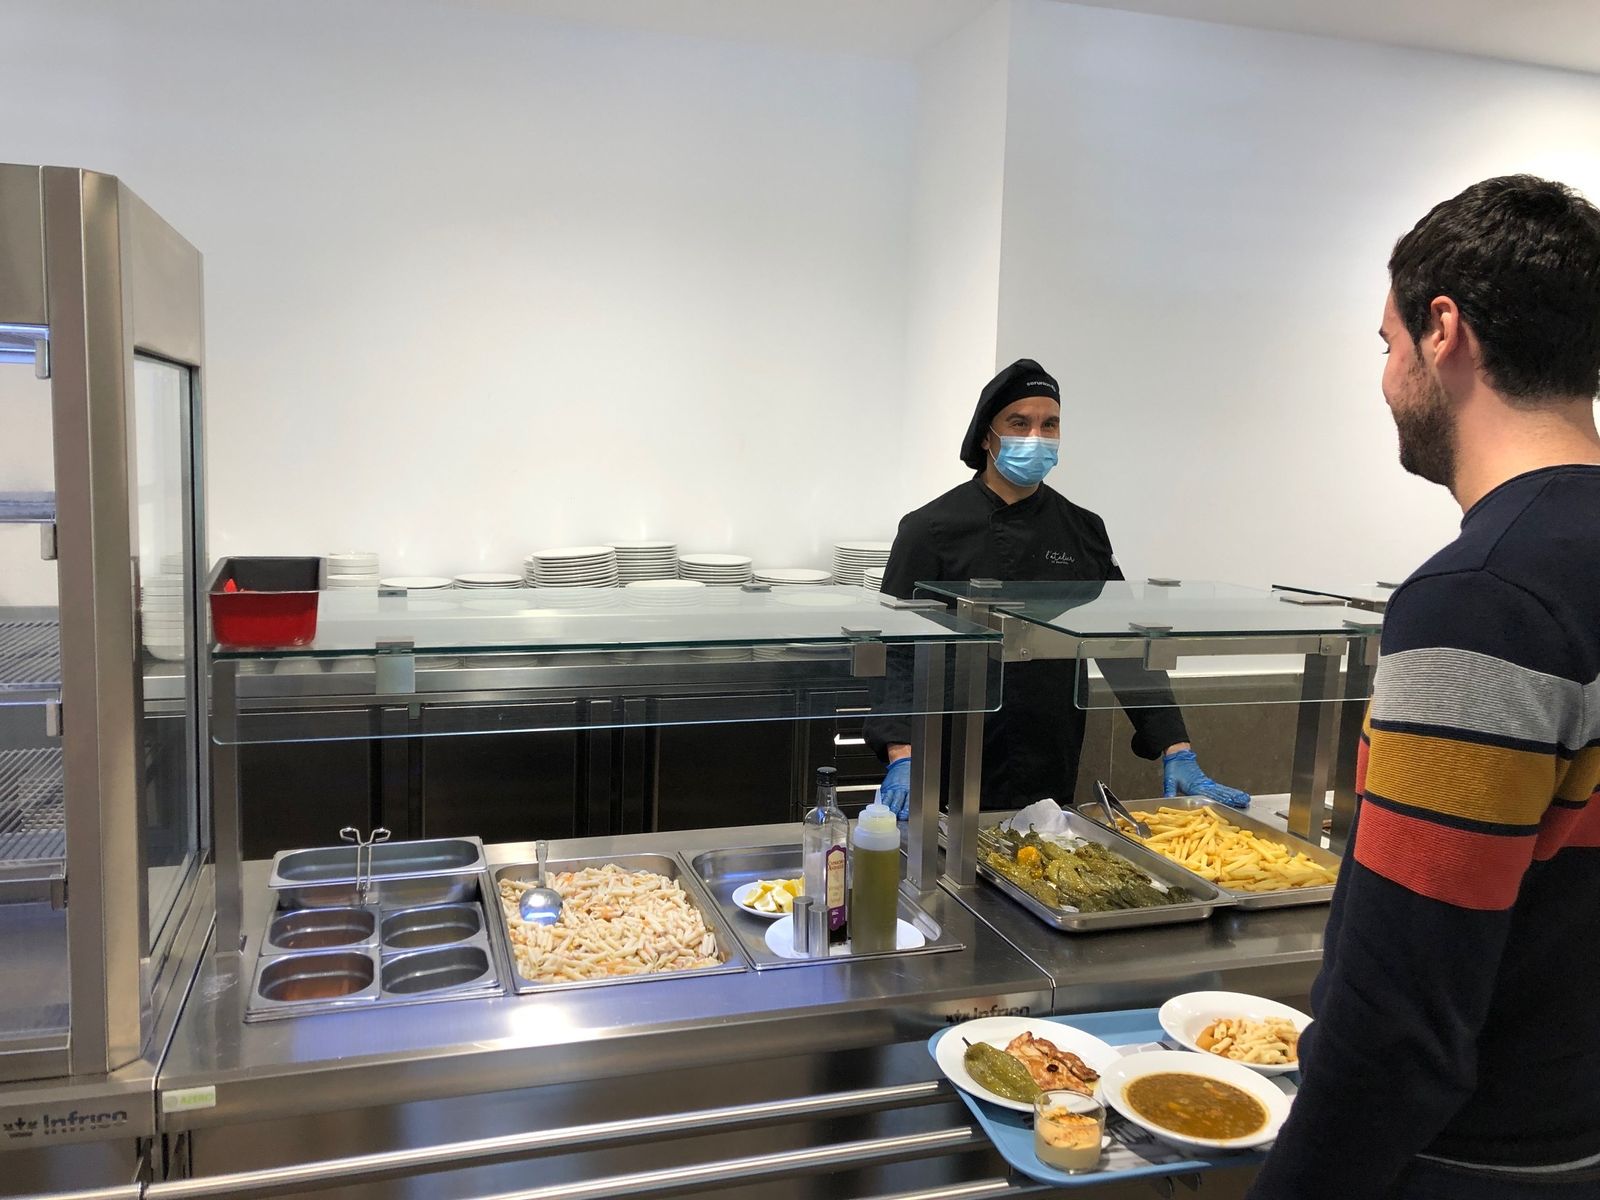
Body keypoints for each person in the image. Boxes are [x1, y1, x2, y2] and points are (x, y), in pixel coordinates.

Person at [1248, 175, 1600, 1199]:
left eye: (1386, 343)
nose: (1387, 375)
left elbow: (1398, 1026)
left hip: (1478, 1161)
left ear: (1443, 332)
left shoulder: (1481, 599)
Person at [863, 359, 1247, 815]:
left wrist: (1175, 745)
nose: (1036, 436)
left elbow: (1122, 646)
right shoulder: (929, 528)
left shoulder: (1082, 529)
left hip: (1050, 746)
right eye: (1019, 423)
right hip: (950, 750)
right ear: (987, 436)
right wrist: (902, 753)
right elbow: (897, 650)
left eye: (1049, 425)